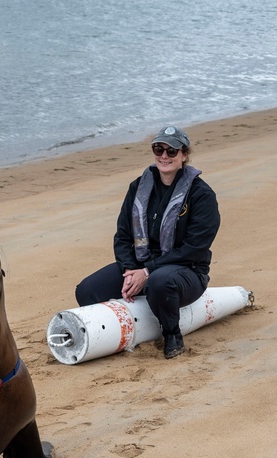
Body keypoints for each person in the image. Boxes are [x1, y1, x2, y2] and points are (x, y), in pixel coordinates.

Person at [74, 125, 220, 358]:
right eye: (158, 149)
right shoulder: (137, 187)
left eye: (172, 151)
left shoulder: (201, 195)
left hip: (187, 272)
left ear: (184, 155)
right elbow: (122, 236)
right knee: (87, 290)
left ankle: (172, 335)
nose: (164, 156)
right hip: (140, 265)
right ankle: (111, 333)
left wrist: (148, 272)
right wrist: (130, 270)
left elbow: (194, 248)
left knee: (160, 283)